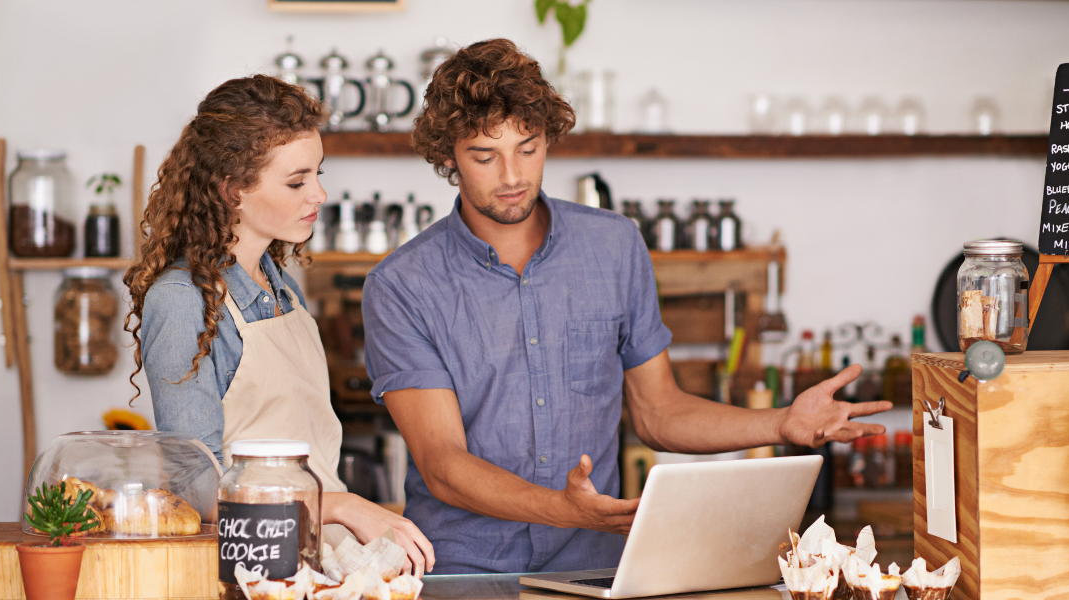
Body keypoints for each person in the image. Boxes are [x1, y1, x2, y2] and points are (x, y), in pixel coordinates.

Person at [362, 38, 892, 575]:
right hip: (461, 570)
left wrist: (781, 423)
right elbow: (444, 466)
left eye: (529, 147)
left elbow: (660, 412)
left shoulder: (613, 245)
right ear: (447, 155)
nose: (512, 176)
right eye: (484, 156)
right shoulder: (402, 285)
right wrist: (564, 510)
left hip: (591, 566)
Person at [124, 75, 434, 574]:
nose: (320, 193)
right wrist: (344, 506)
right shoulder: (185, 301)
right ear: (233, 191)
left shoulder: (281, 287)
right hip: (250, 570)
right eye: (296, 182)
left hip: (314, 561)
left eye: (317, 173)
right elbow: (199, 492)